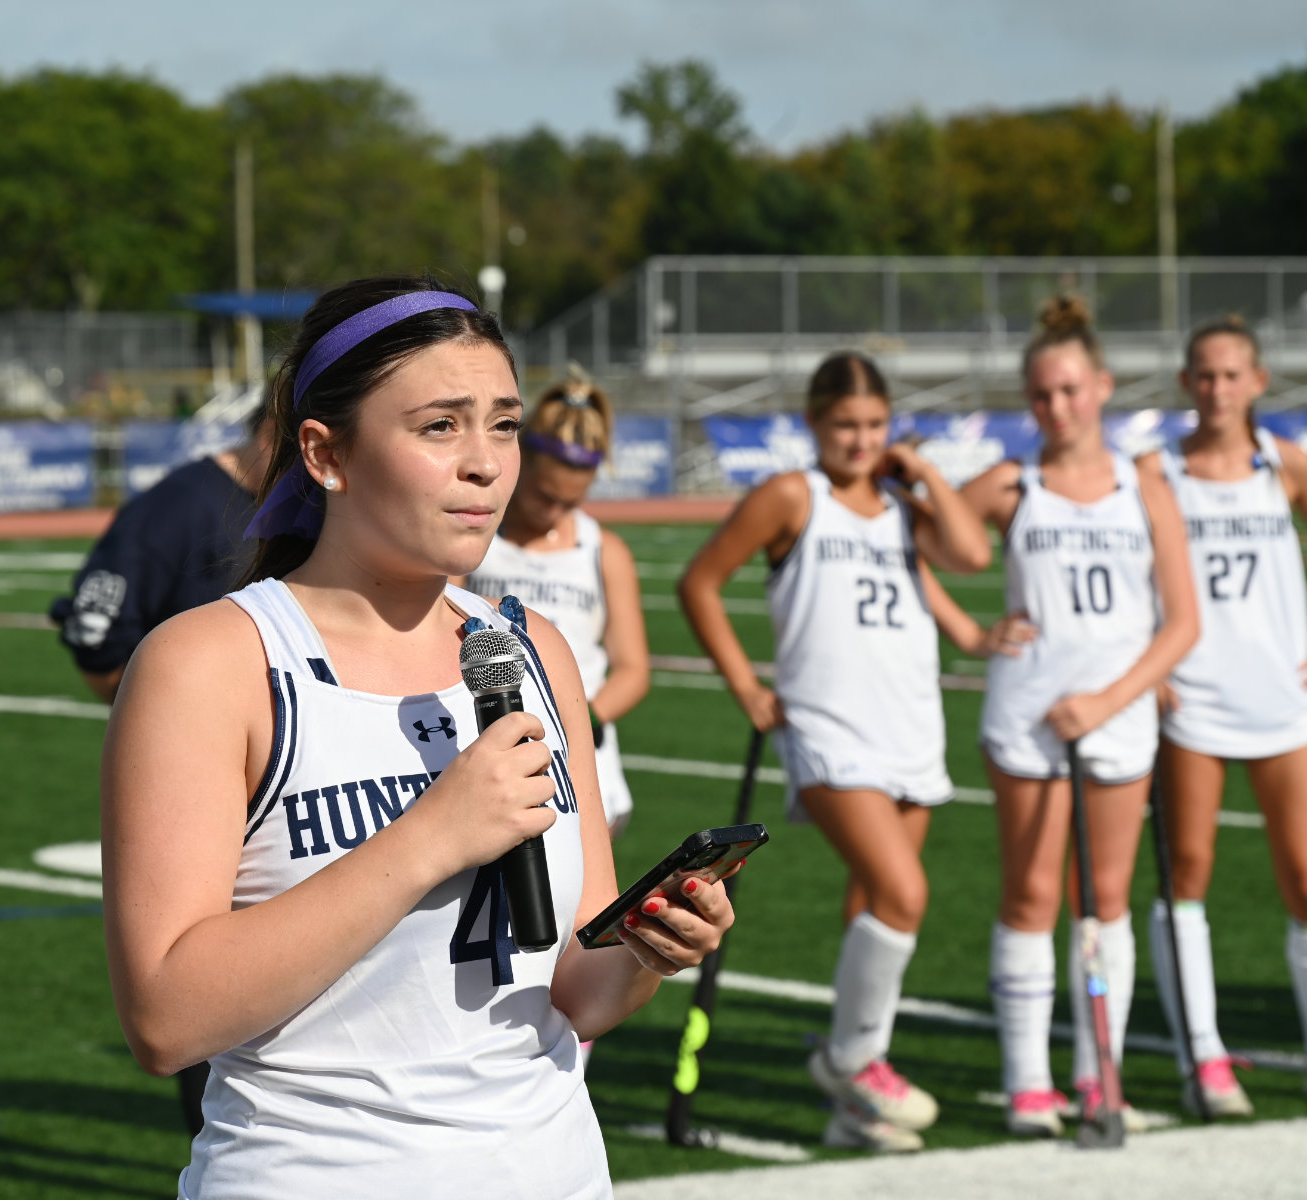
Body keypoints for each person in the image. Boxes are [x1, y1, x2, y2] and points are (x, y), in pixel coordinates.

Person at [101, 277, 736, 1199]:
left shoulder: (532, 652)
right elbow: (164, 1017)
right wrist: (429, 840)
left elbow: (578, 990)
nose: (486, 464)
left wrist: (646, 945)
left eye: (504, 424)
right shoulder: (211, 663)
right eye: (440, 426)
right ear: (325, 454)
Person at [678, 352, 990, 1152]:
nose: (859, 440)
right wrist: (746, 684)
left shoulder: (899, 503)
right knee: (903, 892)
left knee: (874, 906)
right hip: (827, 730)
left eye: (875, 426)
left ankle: (854, 1100)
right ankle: (850, 1061)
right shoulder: (792, 496)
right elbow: (700, 582)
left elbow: (969, 553)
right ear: (814, 423)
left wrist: (914, 467)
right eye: (844, 424)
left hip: (911, 726)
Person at [958, 295, 1199, 1138]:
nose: (1054, 409)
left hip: (1117, 714)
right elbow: (913, 540)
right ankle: (1028, 1081)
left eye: (1068, 391)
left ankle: (1101, 1073)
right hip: (1028, 714)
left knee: (1105, 899)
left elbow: (1182, 623)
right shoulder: (1010, 482)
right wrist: (968, 630)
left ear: (1100, 386)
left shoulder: (1145, 482)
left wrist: (1107, 698)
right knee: (1029, 893)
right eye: (1038, 396)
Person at [1143, 316, 1307, 1113]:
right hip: (1193, 704)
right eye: (1203, 376)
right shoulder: (1155, 473)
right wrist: (1146, 668)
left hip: (1283, 704)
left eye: (1231, 376)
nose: (1216, 390)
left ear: (1258, 382)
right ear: (1186, 384)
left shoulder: (1284, 465)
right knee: (1186, 876)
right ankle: (1204, 1058)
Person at [50, 410, 274, 1135]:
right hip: (221, 810)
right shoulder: (177, 506)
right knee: (213, 1023)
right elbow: (94, 635)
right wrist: (184, 719)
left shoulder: (335, 513)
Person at [461, 371, 650, 838]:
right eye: (545, 496)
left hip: (582, 758)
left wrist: (585, 718)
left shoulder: (605, 551)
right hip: (492, 743)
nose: (555, 511)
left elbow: (632, 669)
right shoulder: (474, 539)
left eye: (572, 500)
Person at [52, 410, 273, 704]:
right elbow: (96, 634)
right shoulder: (176, 504)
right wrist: (159, 718)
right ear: (270, 435)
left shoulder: (299, 509)